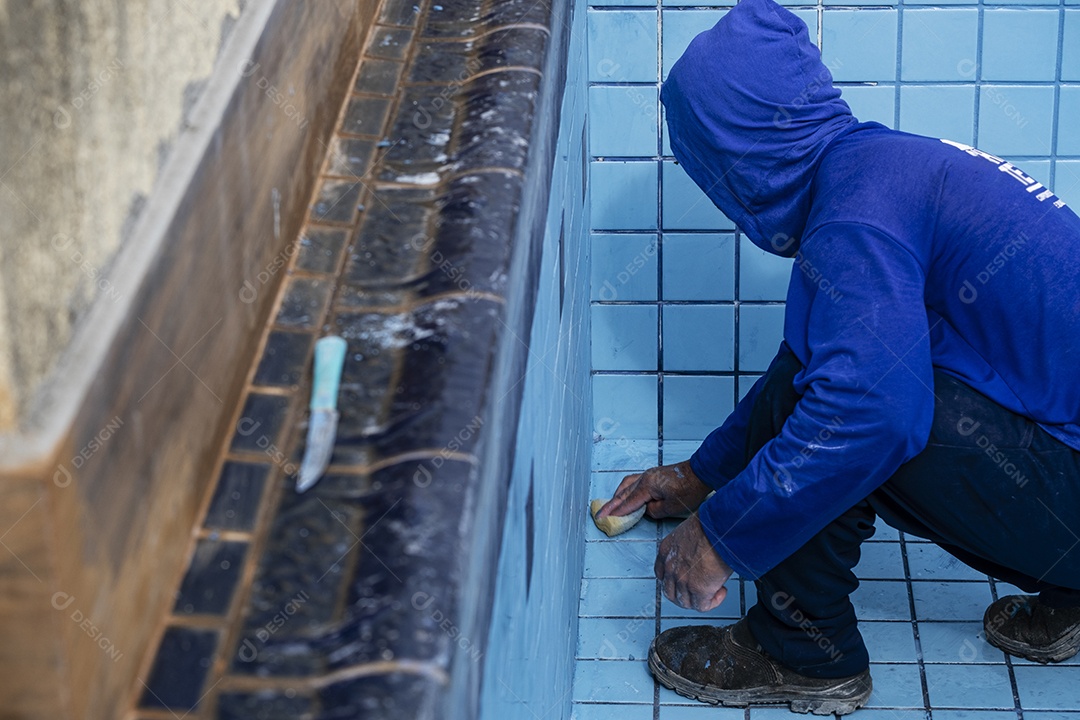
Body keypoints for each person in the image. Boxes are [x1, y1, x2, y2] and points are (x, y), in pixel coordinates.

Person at [596, 0, 1080, 713]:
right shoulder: (884, 168)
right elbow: (817, 356)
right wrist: (703, 477)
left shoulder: (856, 215)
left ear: (739, 155)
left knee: (844, 405)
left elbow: (868, 409)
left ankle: (799, 652)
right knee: (839, 374)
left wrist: (722, 534)